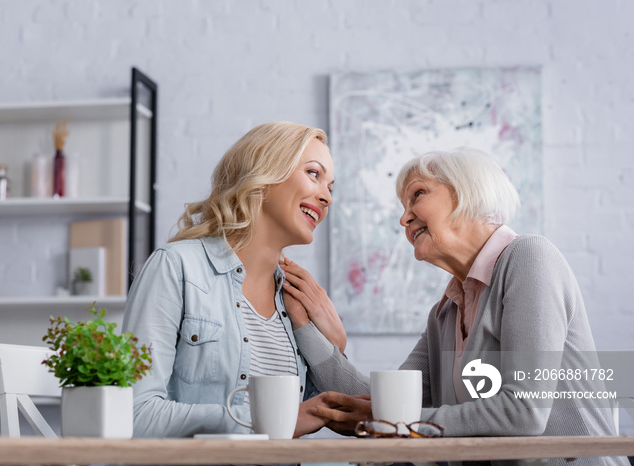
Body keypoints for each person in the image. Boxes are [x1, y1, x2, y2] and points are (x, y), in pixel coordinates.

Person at [284, 147, 626, 465]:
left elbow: (524, 412)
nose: (404, 219)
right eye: (403, 208)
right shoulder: (445, 312)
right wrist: (307, 326)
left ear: (467, 192)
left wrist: (394, 422)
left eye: (417, 195)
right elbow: (381, 401)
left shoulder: (529, 258)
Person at [121, 121, 347, 438]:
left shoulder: (296, 301)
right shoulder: (176, 268)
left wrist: (335, 344)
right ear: (264, 171)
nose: (327, 198)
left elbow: (312, 416)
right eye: (314, 174)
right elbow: (134, 415)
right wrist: (259, 420)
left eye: (331, 187)